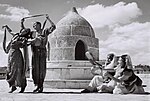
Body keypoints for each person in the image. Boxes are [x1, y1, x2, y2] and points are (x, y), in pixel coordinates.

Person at [21, 14, 56, 93]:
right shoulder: (32, 34)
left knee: (42, 69)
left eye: (35, 25)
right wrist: (22, 23)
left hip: (42, 52)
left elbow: (53, 27)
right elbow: (24, 32)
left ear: (39, 25)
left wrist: (48, 19)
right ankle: (36, 85)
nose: (33, 26)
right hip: (35, 52)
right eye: (33, 25)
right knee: (35, 69)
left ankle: (41, 85)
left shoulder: (45, 31)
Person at [2, 25, 30, 93]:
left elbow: (24, 45)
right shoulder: (16, 35)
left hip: (17, 55)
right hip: (11, 54)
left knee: (17, 71)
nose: (24, 31)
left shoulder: (23, 39)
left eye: (26, 31)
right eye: (24, 30)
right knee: (10, 70)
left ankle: (22, 86)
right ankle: (13, 86)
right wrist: (6, 27)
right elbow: (10, 31)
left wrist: (24, 43)